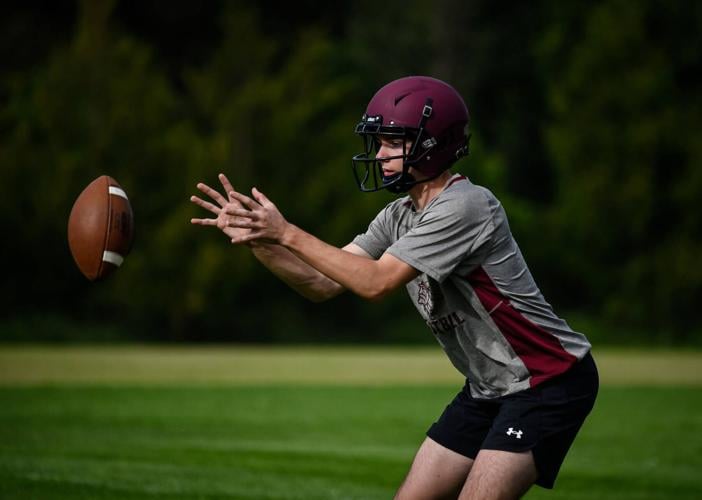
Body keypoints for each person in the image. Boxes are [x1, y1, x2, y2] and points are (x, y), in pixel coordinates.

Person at [190, 76, 598, 499]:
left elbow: (376, 283)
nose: (379, 154)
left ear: (432, 144)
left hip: (548, 381)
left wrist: (288, 232)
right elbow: (321, 283)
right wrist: (261, 239)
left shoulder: (465, 206)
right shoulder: (398, 215)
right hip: (488, 389)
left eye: (392, 142)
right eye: (378, 141)